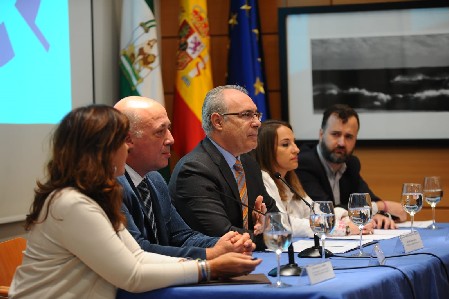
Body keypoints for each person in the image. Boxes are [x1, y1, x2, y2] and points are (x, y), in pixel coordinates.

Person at [9, 105, 260, 299]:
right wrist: (210, 268)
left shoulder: (93, 196)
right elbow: (132, 275)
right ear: (102, 149)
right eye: (122, 140)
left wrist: (207, 262)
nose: (126, 149)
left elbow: (138, 256)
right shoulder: (72, 203)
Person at [113, 96, 254, 260]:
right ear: (128, 140)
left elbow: (183, 236)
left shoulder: (155, 180)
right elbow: (138, 250)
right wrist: (208, 254)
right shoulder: (112, 185)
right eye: (160, 132)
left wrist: (225, 243)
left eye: (169, 129)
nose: (171, 139)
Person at [169, 85, 278, 250]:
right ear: (218, 122)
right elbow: (221, 234)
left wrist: (266, 227)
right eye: (247, 115)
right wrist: (265, 236)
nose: (257, 123)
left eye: (257, 115)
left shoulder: (248, 164)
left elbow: (276, 219)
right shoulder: (194, 170)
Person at [296, 104, 407, 229]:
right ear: (321, 135)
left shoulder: (351, 164)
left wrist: (377, 214)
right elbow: (324, 210)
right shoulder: (304, 163)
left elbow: (367, 199)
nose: (342, 143)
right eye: (335, 134)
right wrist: (381, 206)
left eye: (348, 136)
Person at [253, 119, 371, 237]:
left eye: (294, 143)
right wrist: (342, 228)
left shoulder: (290, 181)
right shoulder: (262, 180)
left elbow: (315, 212)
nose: (296, 150)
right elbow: (283, 223)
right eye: (285, 144)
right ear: (266, 150)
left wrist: (346, 217)